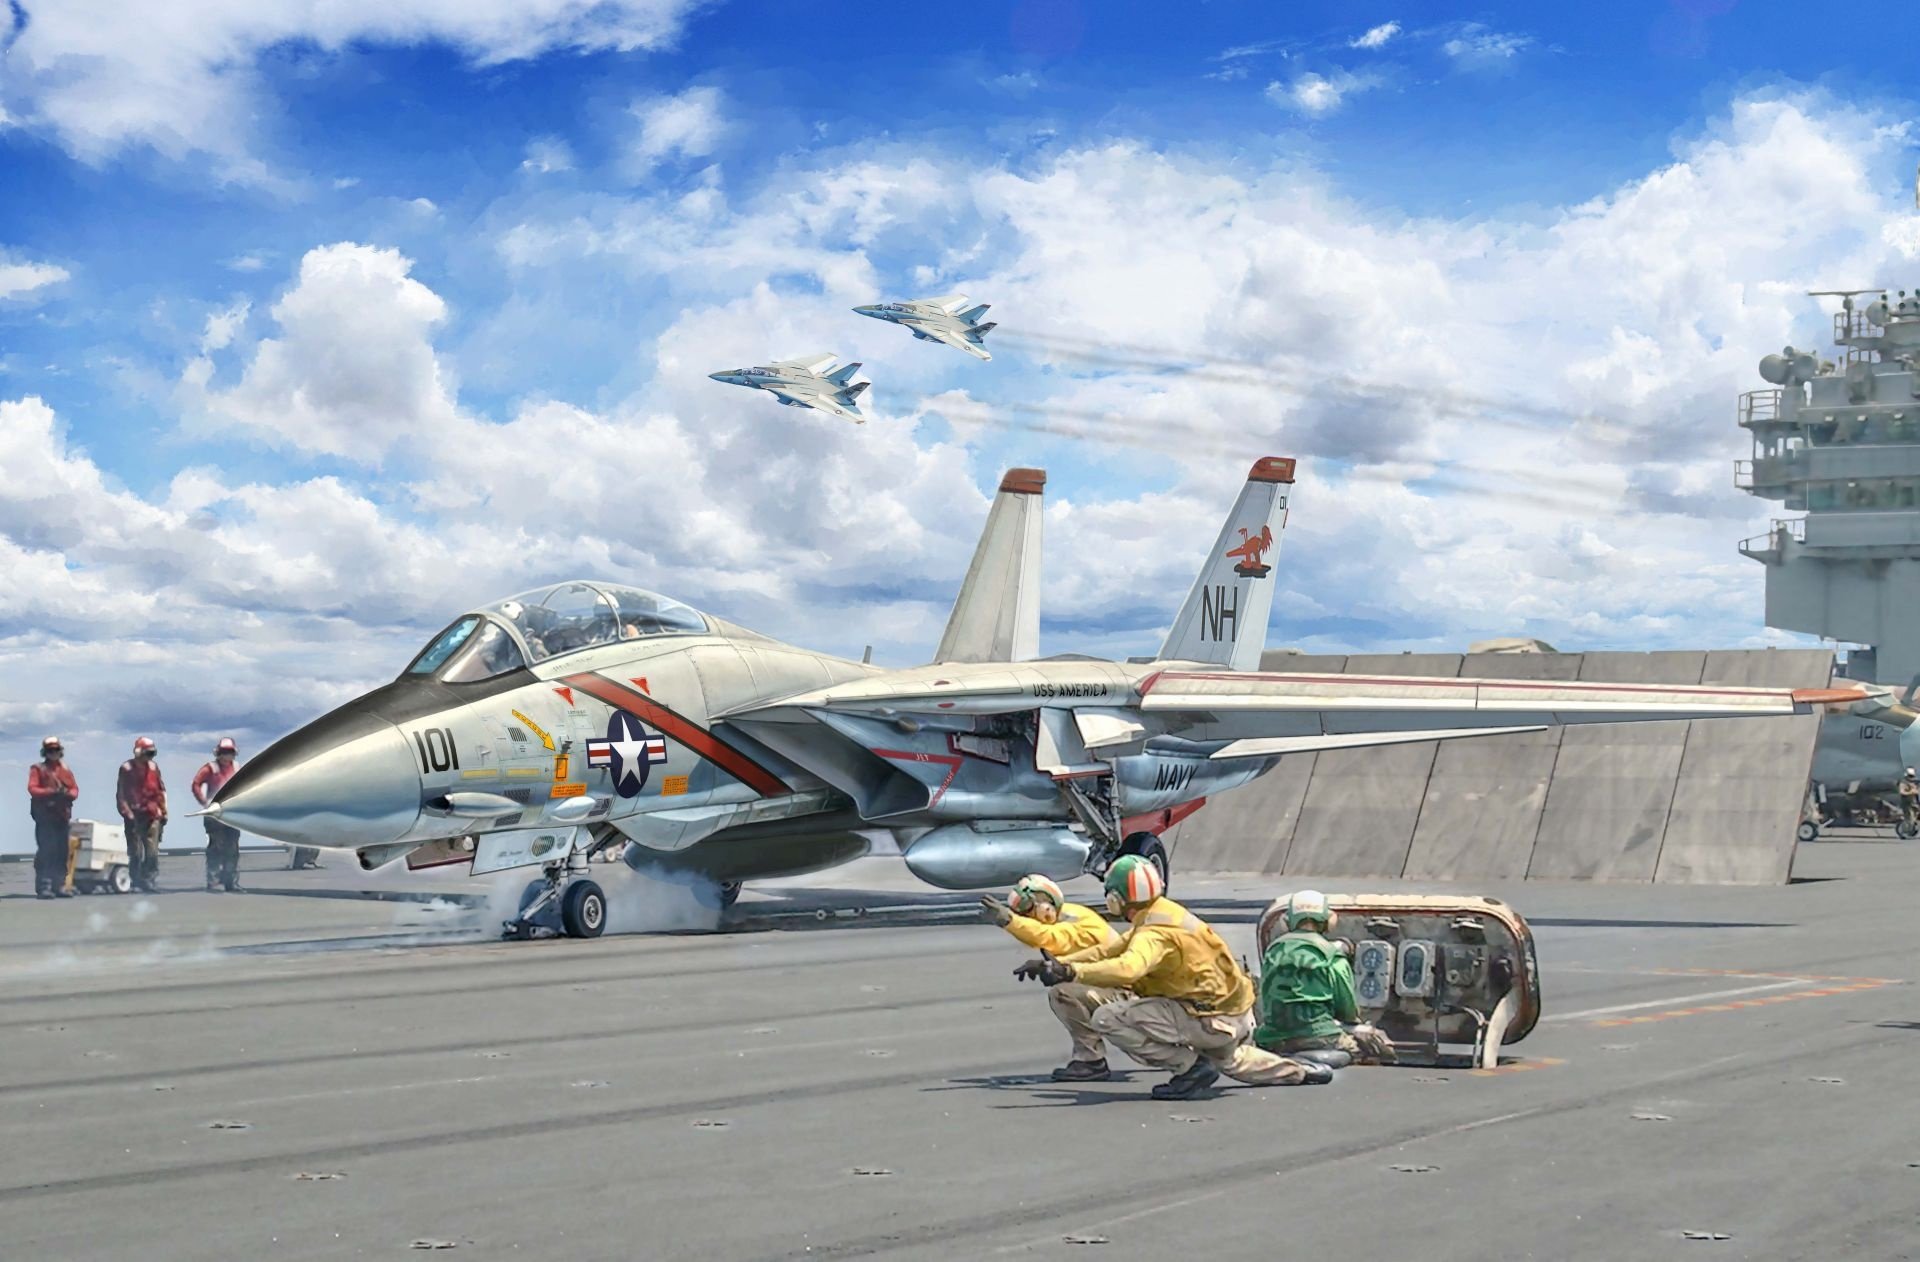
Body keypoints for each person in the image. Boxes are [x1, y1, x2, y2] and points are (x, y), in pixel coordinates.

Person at [1015, 855, 1330, 1099]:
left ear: (1117, 898)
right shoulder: (1165, 912)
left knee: (1106, 1018)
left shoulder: (1154, 932)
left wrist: (1071, 971)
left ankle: (1189, 1066)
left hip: (1204, 1018)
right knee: (1232, 1061)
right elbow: (1111, 950)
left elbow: (1128, 967)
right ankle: (1303, 1072)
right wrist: (1055, 965)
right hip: (1232, 1017)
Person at [981, 874, 1121, 1081]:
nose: (1028, 916)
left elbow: (1054, 938)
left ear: (1047, 901)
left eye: (1029, 907)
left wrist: (1010, 921)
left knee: (1063, 994)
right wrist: (1044, 966)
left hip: (1130, 989)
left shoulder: (1077, 920)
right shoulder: (1067, 915)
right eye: (1021, 912)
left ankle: (1091, 1060)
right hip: (1117, 983)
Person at [1253, 890, 1394, 1067]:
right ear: (1327, 920)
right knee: (1376, 1043)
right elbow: (1347, 1010)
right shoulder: (1333, 956)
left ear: (1287, 921)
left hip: (1272, 1038)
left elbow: (1264, 998)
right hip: (1320, 1036)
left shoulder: (1274, 951)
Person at [27, 737, 78, 900]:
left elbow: (75, 789)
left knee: (62, 851)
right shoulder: (38, 769)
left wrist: (67, 794)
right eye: (50, 750)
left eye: (56, 750)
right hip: (45, 817)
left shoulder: (65, 769)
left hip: (61, 816)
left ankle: (59, 885)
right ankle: (44, 886)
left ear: (60, 751)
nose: (53, 753)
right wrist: (51, 792)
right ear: (45, 752)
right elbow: (32, 788)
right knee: (47, 851)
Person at [116, 737, 168, 893]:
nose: (149, 757)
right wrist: (126, 812)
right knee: (135, 852)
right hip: (134, 815)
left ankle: (149, 879)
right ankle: (136, 881)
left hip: (152, 814)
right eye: (147, 753)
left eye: (151, 754)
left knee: (152, 852)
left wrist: (163, 811)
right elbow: (121, 794)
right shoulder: (126, 768)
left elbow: (160, 790)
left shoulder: (154, 767)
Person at [192, 738, 244, 892]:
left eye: (229, 753)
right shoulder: (211, 768)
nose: (227, 756)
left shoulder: (236, 768)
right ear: (218, 753)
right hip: (214, 814)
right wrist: (204, 802)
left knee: (232, 848)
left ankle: (231, 882)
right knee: (216, 847)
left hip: (232, 813)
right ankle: (213, 881)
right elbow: (196, 784)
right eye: (224, 752)